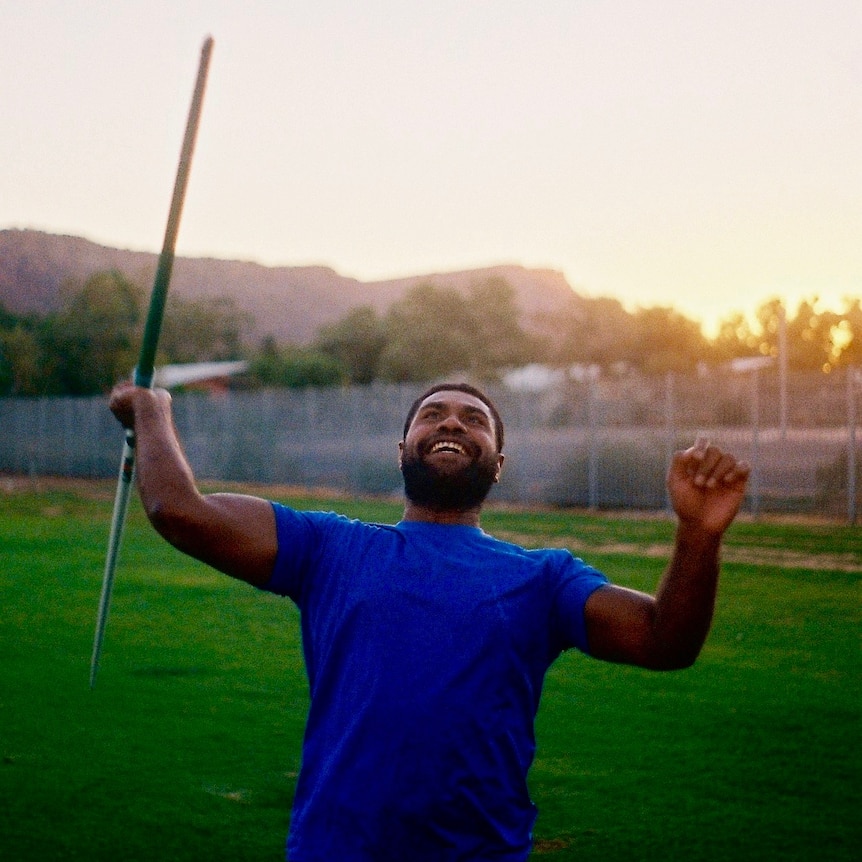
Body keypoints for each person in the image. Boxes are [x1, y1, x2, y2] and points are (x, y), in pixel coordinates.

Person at [108, 379, 750, 862]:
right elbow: (179, 510)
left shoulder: (544, 577)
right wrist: (152, 413)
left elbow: (665, 640)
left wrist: (698, 535)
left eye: (475, 420)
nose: (452, 422)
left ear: (497, 463)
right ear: (403, 450)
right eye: (432, 414)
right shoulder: (328, 547)